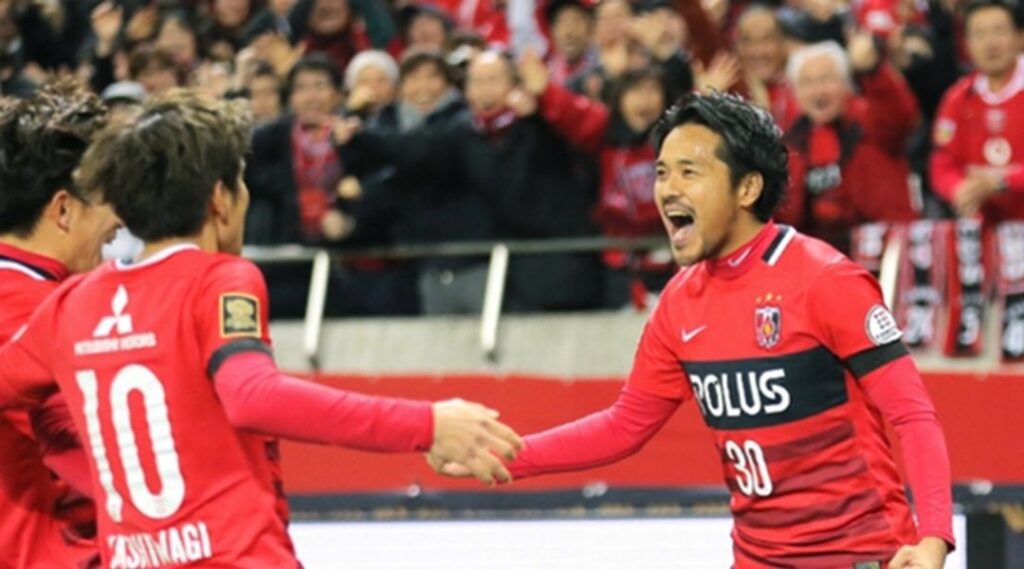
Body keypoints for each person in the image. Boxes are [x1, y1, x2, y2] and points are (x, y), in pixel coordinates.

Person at [430, 92, 954, 568]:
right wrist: (503, 457)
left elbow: (912, 415)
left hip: (861, 557)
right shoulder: (679, 302)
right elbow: (623, 426)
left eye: (689, 172)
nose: (667, 190)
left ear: (747, 187)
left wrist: (933, 538)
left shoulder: (825, 280)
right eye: (662, 172)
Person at [0, 90, 522, 567]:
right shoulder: (220, 279)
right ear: (221, 198)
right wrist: (427, 423)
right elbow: (253, 396)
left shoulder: (73, 303)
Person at [0, 80, 117, 569]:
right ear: (64, 209)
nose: (119, 219)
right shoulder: (29, 308)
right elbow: (102, 457)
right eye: (108, 196)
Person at [779, 37, 919, 252]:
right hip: (815, 254)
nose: (818, 91)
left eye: (826, 79)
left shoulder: (872, 121)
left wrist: (872, 71)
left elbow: (900, 114)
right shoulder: (787, 143)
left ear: (846, 84)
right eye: (807, 82)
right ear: (794, 93)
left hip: (881, 247)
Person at [930, 0, 1024, 220]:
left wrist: (1003, 182)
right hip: (983, 228)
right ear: (966, 45)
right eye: (979, 34)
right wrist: (960, 189)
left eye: (999, 31)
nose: (990, 43)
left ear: (1020, 37)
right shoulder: (956, 99)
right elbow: (942, 163)